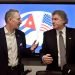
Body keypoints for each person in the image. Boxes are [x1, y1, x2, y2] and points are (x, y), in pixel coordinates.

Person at [0, 9, 38, 75]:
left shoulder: (21, 35)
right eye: (18, 19)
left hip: (17, 71)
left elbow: (22, 52)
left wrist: (30, 49)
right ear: (10, 19)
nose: (21, 22)